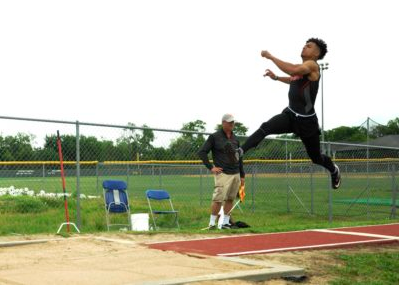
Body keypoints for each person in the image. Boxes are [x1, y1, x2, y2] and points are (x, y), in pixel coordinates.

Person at [237, 38, 341, 189]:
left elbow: (293, 70)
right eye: (304, 45)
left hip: (307, 122)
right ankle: (239, 151)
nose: (304, 47)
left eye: (309, 46)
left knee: (316, 158)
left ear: (316, 53)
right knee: (266, 127)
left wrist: (271, 57)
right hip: (290, 115)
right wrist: (277, 78)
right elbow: (294, 78)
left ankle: (333, 170)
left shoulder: (312, 66)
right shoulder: (303, 68)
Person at [198, 113, 245, 229]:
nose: (232, 124)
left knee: (230, 199)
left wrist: (242, 174)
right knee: (218, 199)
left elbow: (240, 158)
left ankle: (225, 223)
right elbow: (202, 152)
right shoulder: (215, 137)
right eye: (229, 122)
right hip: (222, 173)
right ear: (223, 123)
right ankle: (212, 224)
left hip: (235, 173)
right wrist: (211, 167)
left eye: (233, 122)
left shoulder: (235, 139)